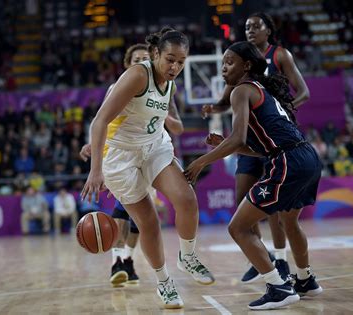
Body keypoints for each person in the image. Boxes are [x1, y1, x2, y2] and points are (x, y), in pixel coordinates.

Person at [80, 27, 214, 309]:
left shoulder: (171, 82)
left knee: (187, 199)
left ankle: (187, 256)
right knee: (149, 224)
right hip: (120, 157)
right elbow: (100, 121)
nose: (175, 67)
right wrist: (96, 170)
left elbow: (165, 120)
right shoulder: (137, 75)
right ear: (155, 54)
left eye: (181, 61)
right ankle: (164, 282)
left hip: (154, 146)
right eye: (170, 59)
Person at [185, 41, 322, 310]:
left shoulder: (241, 91)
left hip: (288, 161)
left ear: (246, 65)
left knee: (238, 227)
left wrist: (200, 162)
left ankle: (279, 287)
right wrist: (225, 142)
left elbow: (237, 141)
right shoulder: (261, 90)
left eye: (230, 62)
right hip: (306, 157)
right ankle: (305, 280)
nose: (224, 67)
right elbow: (259, 149)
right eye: (222, 62)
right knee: (290, 223)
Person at [202, 12, 310, 283]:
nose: (250, 30)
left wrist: (285, 110)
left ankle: (282, 261)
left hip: (276, 141)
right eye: (247, 26)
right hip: (250, 139)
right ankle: (264, 256)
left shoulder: (280, 55)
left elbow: (304, 92)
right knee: (243, 200)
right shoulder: (239, 62)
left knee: (274, 206)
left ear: (268, 30)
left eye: (255, 26)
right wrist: (214, 107)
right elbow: (227, 99)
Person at [79, 43, 184, 287]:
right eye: (136, 59)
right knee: (123, 206)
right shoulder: (119, 87)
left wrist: (162, 114)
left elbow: (178, 127)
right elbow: (103, 120)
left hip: (150, 152)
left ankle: (126, 260)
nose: (141, 62)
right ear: (128, 65)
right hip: (121, 153)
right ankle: (118, 260)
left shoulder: (164, 88)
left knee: (142, 216)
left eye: (145, 58)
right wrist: (91, 147)